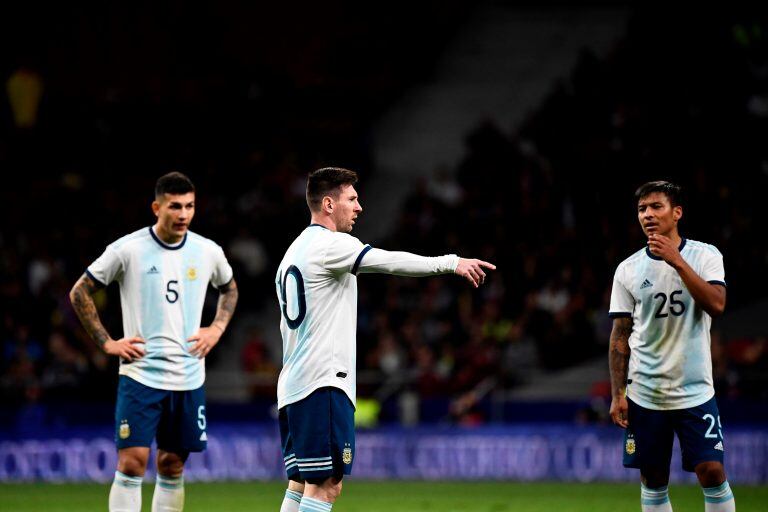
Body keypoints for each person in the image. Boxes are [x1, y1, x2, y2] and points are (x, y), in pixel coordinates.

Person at [274, 167, 495, 512]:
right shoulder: (331, 245)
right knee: (327, 487)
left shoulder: (294, 251)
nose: (359, 207)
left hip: (293, 385)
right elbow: (389, 261)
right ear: (329, 204)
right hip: (322, 384)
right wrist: (450, 262)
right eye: (352, 199)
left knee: (301, 483)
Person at [69, 172, 238, 512]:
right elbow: (80, 292)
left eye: (189, 206)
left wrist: (216, 329)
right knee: (132, 461)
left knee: (172, 464)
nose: (183, 214)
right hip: (141, 374)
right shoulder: (127, 250)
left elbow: (229, 288)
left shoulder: (208, 251)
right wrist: (106, 342)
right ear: (156, 207)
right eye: (175, 206)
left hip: (189, 376)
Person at [608, 181, 735, 512]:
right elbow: (620, 334)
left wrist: (677, 261)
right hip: (646, 392)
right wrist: (617, 392)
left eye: (656, 207)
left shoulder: (705, 255)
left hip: (694, 389)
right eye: (642, 209)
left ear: (676, 213)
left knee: (711, 470)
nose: (648, 214)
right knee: (653, 477)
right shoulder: (628, 269)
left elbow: (717, 305)